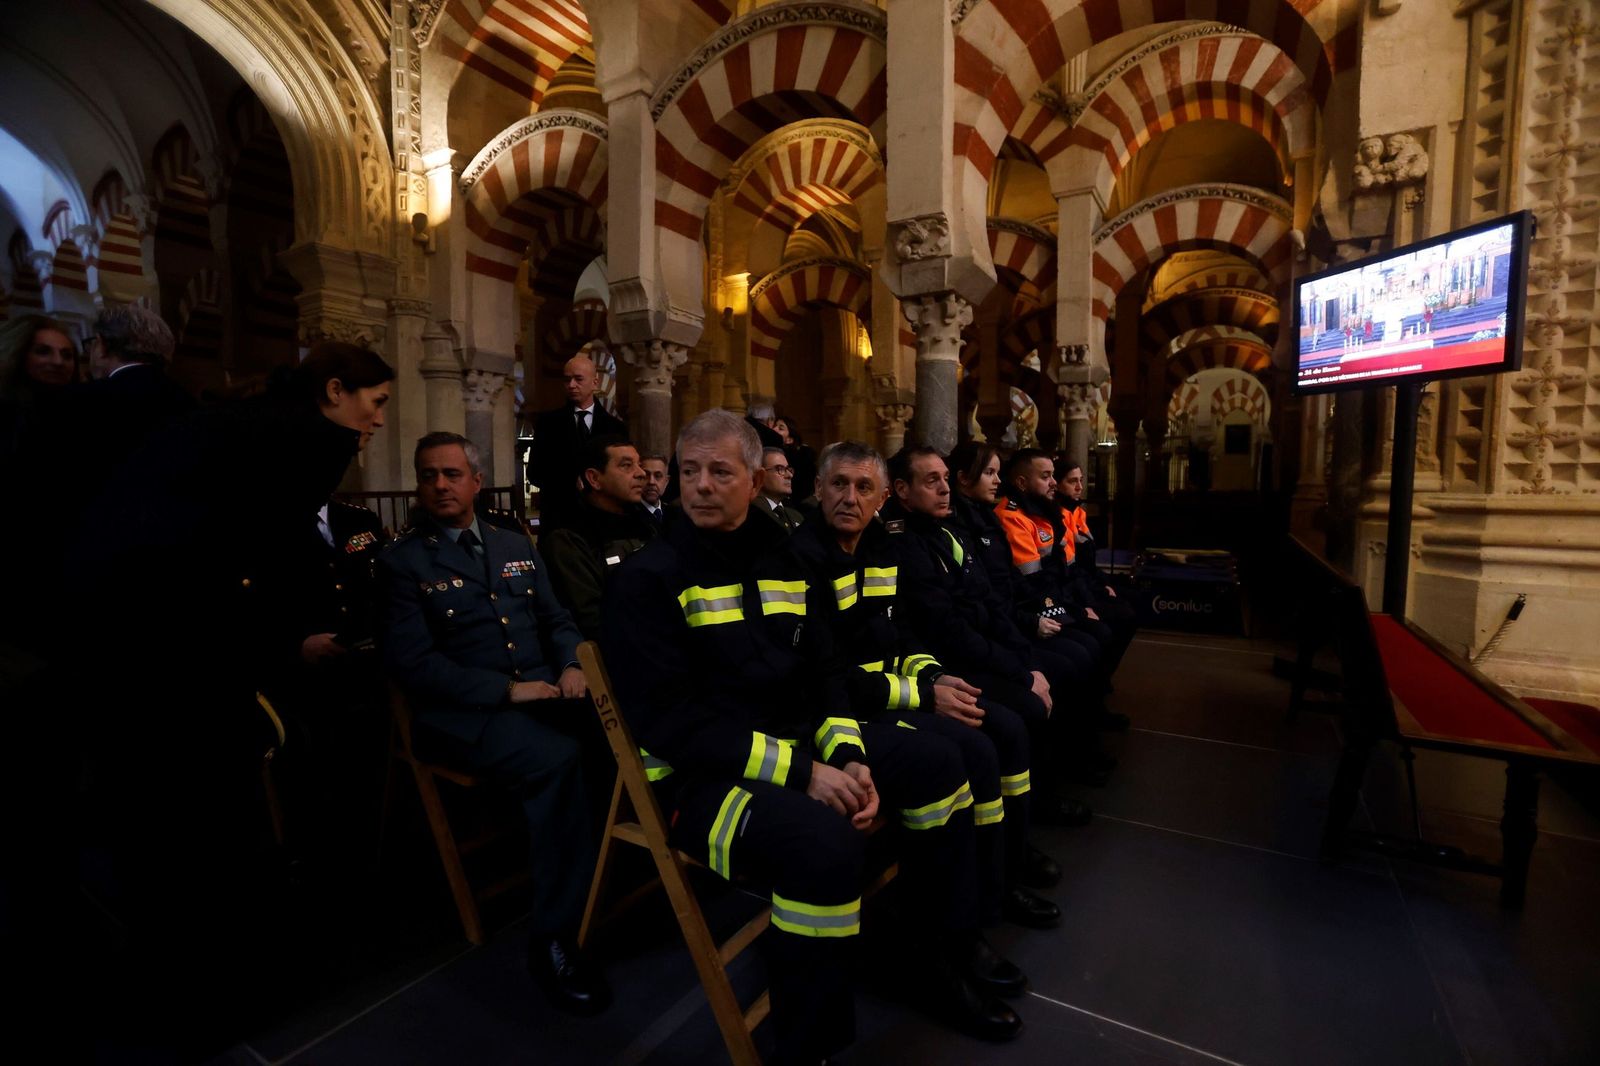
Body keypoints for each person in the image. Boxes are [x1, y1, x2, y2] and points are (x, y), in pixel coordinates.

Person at [606, 411, 1023, 1061]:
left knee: (940, 760)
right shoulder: (647, 577)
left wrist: (849, 755)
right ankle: (811, 1045)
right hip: (698, 783)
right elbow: (671, 724)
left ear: (752, 479)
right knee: (825, 845)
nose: (701, 486)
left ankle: (939, 950)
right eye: (689, 472)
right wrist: (806, 774)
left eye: (720, 471)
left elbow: (824, 675)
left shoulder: (786, 555)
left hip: (794, 746)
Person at [80, 340, 394, 1054]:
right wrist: (274, 653)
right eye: (373, 404)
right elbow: (259, 556)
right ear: (337, 390)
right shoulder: (314, 437)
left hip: (132, 631)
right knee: (208, 825)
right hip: (178, 651)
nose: (375, 421)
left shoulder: (254, 422)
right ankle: (217, 998)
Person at [379, 431, 610, 1015]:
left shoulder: (516, 545)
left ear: (476, 482)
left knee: (615, 736)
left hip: (542, 689)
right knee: (558, 761)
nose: (439, 485)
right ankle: (554, 938)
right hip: (464, 715)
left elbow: (557, 618)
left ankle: (603, 890)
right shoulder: (402, 561)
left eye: (451, 474)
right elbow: (414, 664)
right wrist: (508, 690)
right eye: (428, 475)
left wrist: (568, 661)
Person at [786, 440, 1058, 933]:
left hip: (884, 692)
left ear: (883, 496)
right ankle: (946, 925)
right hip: (842, 712)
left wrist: (935, 676)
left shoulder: (879, 546)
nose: (850, 498)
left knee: (994, 726)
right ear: (818, 490)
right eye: (839, 485)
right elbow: (826, 672)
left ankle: (994, 886)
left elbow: (900, 635)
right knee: (964, 751)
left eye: (863, 487)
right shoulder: (799, 559)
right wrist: (923, 694)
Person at [947, 441, 1101, 808]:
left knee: (1084, 650)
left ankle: (1068, 761)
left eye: (998, 472)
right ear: (963, 479)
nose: (996, 481)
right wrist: (1028, 633)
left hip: (1012, 620)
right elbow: (975, 608)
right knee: (1059, 669)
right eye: (989, 472)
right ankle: (1045, 789)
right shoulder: (966, 524)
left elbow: (1010, 587)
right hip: (992, 635)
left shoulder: (984, 517)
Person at [542, 435, 657, 640]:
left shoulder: (649, 524)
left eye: (638, 464)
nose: (641, 474)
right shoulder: (569, 538)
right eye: (626, 466)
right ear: (594, 478)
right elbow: (592, 619)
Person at [532, 354, 626, 531]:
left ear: (595, 383)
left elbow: (622, 473)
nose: (571, 385)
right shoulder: (548, 424)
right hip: (560, 521)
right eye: (567, 380)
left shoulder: (616, 428)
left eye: (578, 379)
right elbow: (535, 472)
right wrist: (569, 481)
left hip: (603, 522)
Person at [756, 445, 805, 531]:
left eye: (788, 469)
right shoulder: (750, 513)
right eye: (780, 469)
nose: (790, 475)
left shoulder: (797, 516)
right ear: (760, 475)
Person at [639, 453, 670, 529]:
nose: (651, 482)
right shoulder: (628, 515)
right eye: (646, 475)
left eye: (658, 476)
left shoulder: (674, 514)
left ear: (666, 481)